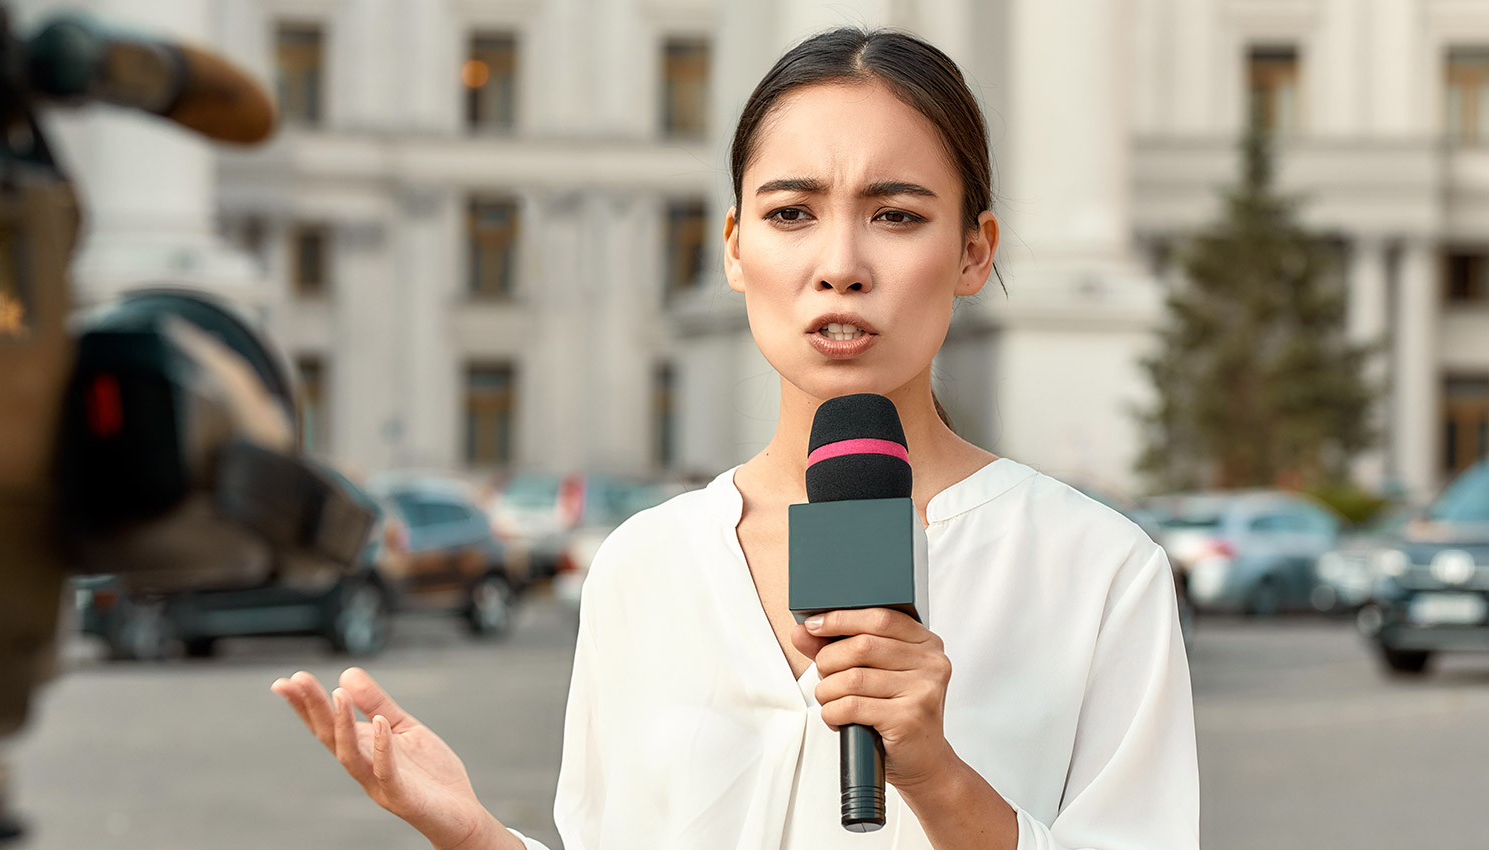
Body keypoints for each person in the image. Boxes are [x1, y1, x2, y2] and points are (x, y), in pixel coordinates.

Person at [270, 27, 1198, 850]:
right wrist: (474, 837)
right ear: (734, 246)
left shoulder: (1096, 572)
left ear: (972, 251)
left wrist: (936, 776)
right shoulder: (644, 566)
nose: (839, 267)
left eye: (897, 215)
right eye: (791, 213)